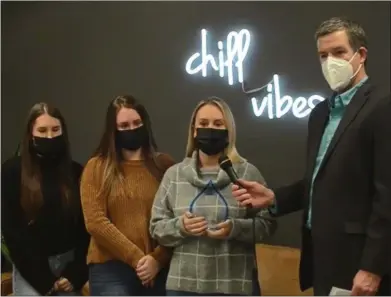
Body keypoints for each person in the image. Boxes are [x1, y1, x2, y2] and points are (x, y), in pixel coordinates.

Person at [232, 17, 391, 296]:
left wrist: (373, 267)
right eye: (323, 55)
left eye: (339, 52)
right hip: (322, 259)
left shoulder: (382, 105)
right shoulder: (320, 113)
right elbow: (321, 180)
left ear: (361, 54)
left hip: (361, 265)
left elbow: (387, 194)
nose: (330, 61)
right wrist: (275, 198)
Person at [150, 97, 276, 296]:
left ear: (229, 131)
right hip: (183, 286)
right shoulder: (174, 175)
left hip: (234, 286)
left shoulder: (247, 174)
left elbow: (267, 225)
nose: (210, 129)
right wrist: (181, 226)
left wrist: (235, 229)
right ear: (194, 130)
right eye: (203, 124)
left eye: (218, 124)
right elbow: (156, 227)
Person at [80, 95, 175, 296]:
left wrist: (157, 260)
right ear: (113, 130)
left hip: (158, 267)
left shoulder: (164, 166)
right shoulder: (96, 167)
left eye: (137, 123)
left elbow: (175, 220)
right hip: (111, 268)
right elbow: (95, 222)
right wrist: (138, 259)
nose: (131, 129)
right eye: (124, 125)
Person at [1, 102, 90, 296]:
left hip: (68, 268)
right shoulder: (12, 171)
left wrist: (75, 274)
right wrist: (44, 280)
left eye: (55, 129)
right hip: (30, 270)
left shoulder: (76, 172)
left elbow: (85, 228)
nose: (49, 136)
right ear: (30, 134)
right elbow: (12, 231)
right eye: (42, 130)